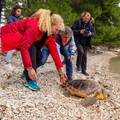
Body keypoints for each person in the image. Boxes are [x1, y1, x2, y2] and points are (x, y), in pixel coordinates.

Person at [0, 8, 67, 90]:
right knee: (32, 59)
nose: (57, 32)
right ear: (51, 24)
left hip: (34, 43)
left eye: (58, 31)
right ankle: (29, 80)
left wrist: (61, 71)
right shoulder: (34, 25)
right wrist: (29, 69)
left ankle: (26, 74)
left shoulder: (51, 33)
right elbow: (24, 46)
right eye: (56, 29)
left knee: (40, 60)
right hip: (17, 38)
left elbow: (54, 51)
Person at [72, 11, 96, 76]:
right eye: (85, 18)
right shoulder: (78, 22)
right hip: (77, 41)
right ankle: (78, 65)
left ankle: (83, 70)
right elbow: (71, 31)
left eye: (88, 19)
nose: (87, 20)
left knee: (84, 56)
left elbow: (94, 33)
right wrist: (80, 31)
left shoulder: (90, 24)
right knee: (81, 52)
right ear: (82, 17)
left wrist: (90, 33)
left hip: (85, 43)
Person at [5, 5, 22, 71]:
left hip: (16, 36)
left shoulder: (18, 19)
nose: (19, 13)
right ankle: (7, 63)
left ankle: (9, 62)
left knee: (14, 49)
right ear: (14, 11)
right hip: (10, 35)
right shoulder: (11, 17)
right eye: (18, 11)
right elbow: (11, 24)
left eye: (20, 12)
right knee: (11, 49)